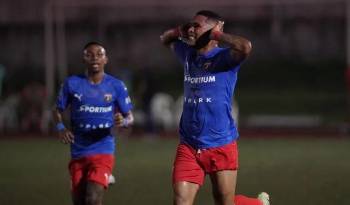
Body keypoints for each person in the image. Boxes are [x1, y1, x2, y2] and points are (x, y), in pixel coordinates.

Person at [160, 10, 270, 205]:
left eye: (198, 26)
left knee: (224, 202)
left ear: (214, 29)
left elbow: (245, 46)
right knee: (181, 201)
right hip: (189, 145)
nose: (192, 29)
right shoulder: (187, 54)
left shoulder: (224, 58)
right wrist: (180, 30)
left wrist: (215, 34)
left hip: (221, 144)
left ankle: (258, 204)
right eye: (191, 25)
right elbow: (165, 39)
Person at [52, 42, 134, 205]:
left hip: (103, 148)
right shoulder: (72, 83)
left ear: (106, 59)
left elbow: (130, 117)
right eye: (89, 54)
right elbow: (57, 110)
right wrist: (61, 128)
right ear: (84, 59)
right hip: (79, 150)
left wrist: (123, 121)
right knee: (80, 201)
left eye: (99, 54)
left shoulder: (116, 85)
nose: (95, 57)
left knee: (93, 198)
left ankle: (103, 176)